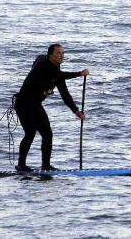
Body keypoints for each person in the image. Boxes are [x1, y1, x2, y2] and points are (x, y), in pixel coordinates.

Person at [13, 43, 88, 172]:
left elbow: (65, 94)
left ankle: (46, 165)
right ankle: (21, 165)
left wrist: (76, 111)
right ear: (50, 55)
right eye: (58, 53)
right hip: (23, 103)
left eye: (63, 53)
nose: (61, 56)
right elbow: (50, 67)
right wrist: (79, 73)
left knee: (47, 134)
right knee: (30, 133)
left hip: (35, 105)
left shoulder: (56, 71)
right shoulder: (44, 65)